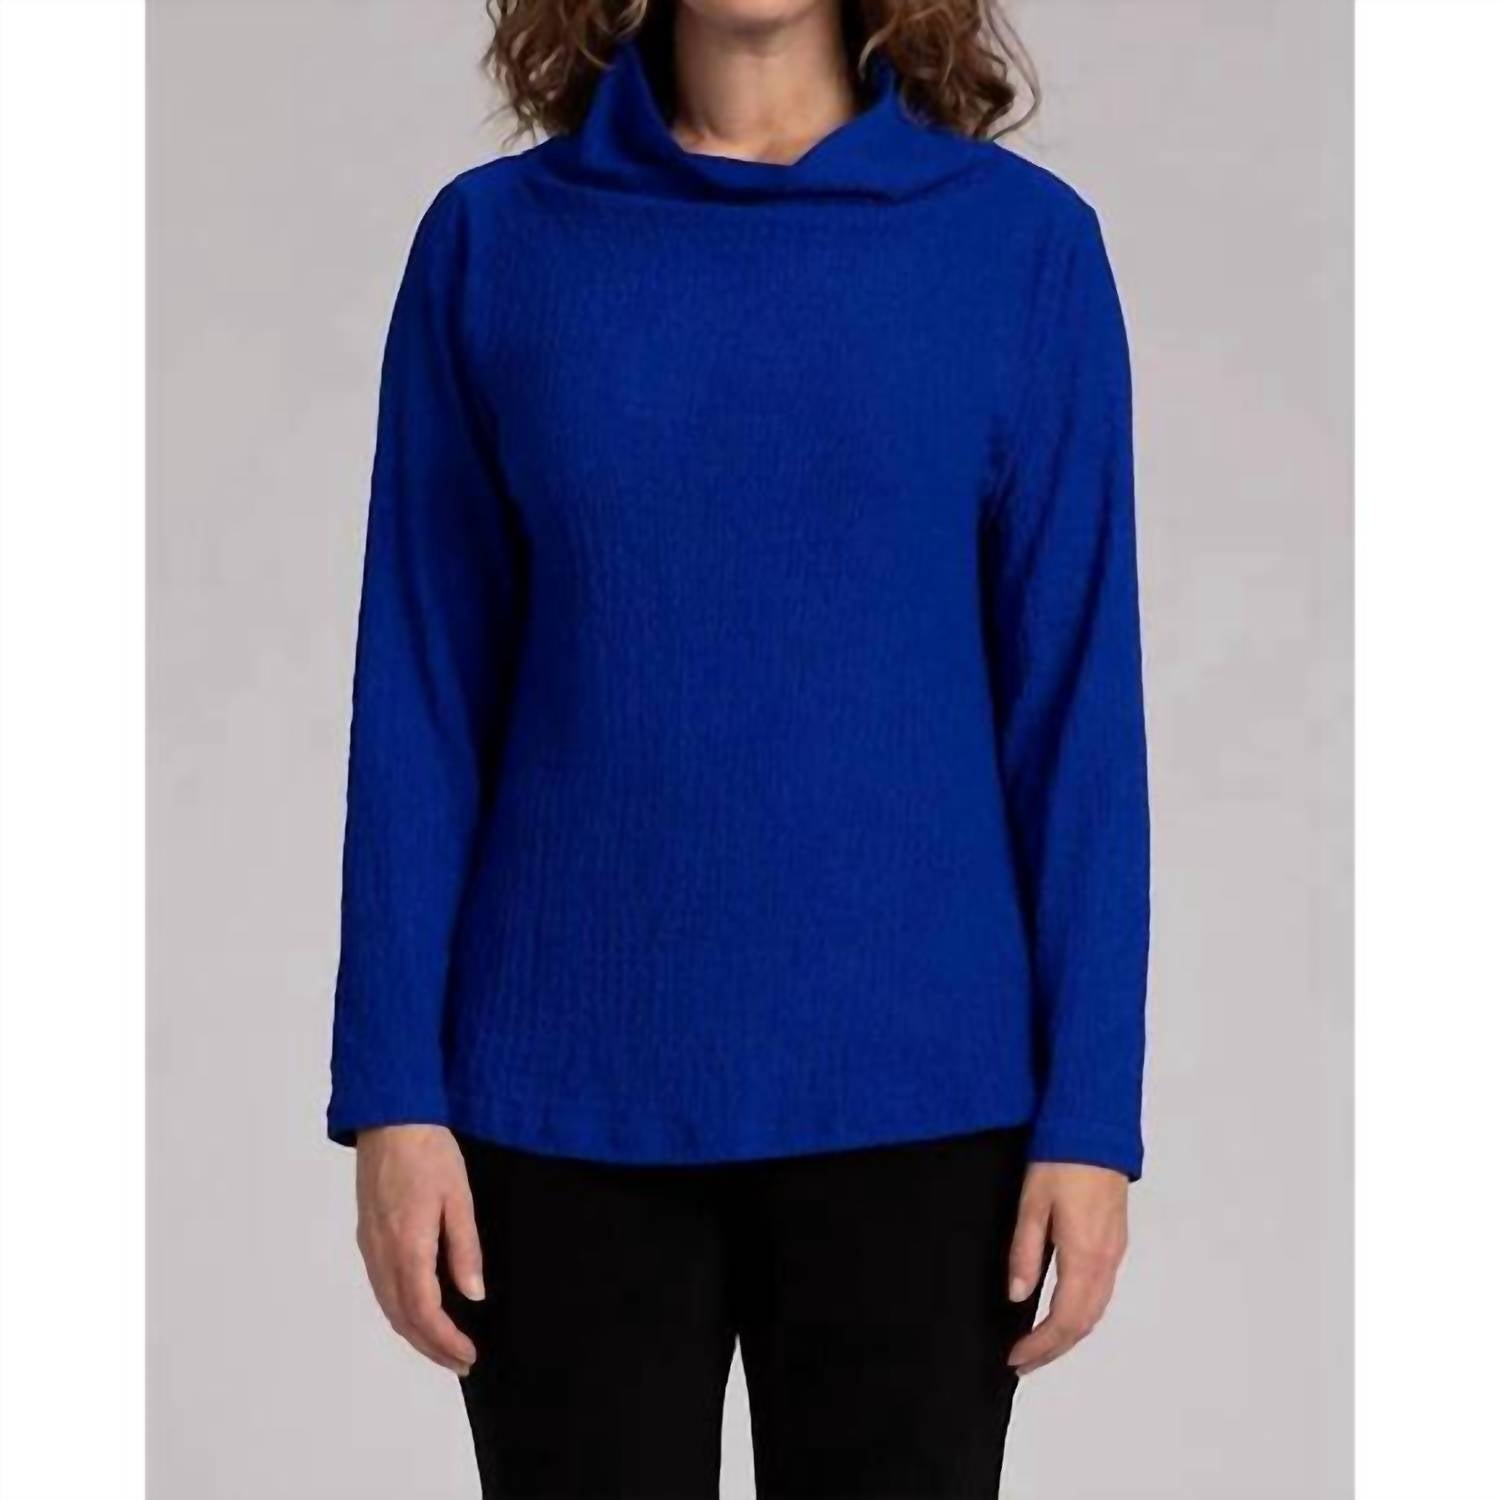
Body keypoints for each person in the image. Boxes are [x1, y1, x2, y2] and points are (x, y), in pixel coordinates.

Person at [328, 0, 1150, 1492]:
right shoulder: (496, 247)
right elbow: (422, 692)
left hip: (923, 1110)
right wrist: (392, 1093)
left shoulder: (1020, 251)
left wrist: (1092, 1115)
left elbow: (1075, 713)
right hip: (557, 1109)